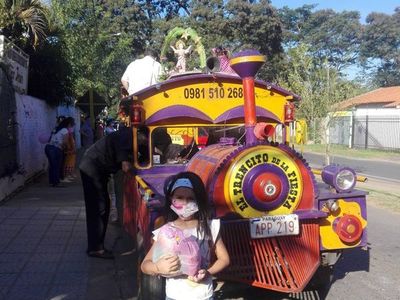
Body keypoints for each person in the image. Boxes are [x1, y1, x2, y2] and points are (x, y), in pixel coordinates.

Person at [141, 171, 230, 300]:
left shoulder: (209, 227)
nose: (185, 203)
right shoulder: (166, 231)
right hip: (174, 296)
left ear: (199, 200)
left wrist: (207, 273)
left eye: (191, 198)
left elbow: (224, 259)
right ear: (171, 199)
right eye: (180, 197)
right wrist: (157, 267)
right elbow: (145, 265)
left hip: (204, 296)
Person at [79, 126, 133, 259]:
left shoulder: (125, 135)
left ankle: (96, 245)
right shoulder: (126, 138)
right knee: (99, 208)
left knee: (102, 206)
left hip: (94, 168)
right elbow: (126, 167)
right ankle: (96, 249)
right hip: (92, 170)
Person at [45, 117, 75, 187]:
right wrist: (67, 148)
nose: (72, 126)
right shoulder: (65, 130)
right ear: (69, 124)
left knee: (52, 166)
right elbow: (65, 141)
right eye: (72, 124)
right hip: (56, 149)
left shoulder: (56, 129)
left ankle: (52, 182)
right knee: (57, 166)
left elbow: (50, 138)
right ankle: (56, 183)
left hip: (48, 147)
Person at [62, 117, 77, 181]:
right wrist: (72, 148)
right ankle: (66, 176)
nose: (73, 125)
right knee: (67, 163)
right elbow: (67, 141)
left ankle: (68, 175)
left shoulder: (68, 131)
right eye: (72, 124)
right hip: (69, 149)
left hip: (71, 149)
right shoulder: (66, 131)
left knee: (70, 163)